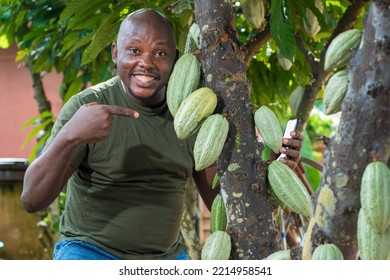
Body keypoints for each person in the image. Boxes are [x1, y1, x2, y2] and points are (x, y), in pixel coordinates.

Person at [21, 8, 304, 260]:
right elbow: (32, 200)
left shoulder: (193, 115)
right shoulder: (88, 107)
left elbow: (221, 201)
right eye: (134, 50)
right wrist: (70, 135)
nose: (146, 63)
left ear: (176, 60)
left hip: (166, 259)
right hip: (89, 252)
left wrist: (278, 173)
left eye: (159, 53)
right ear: (115, 53)